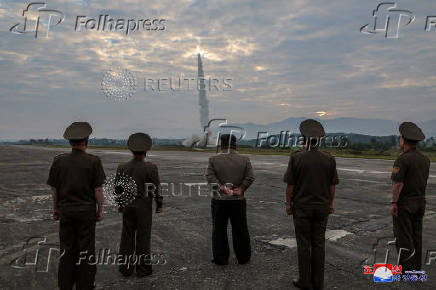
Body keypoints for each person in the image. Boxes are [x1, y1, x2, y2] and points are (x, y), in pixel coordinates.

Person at [47, 122, 106, 290]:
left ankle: (65, 284)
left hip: (66, 211)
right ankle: (85, 284)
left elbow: (54, 188)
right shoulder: (94, 161)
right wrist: (100, 210)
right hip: (86, 212)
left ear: (70, 142)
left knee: (66, 248)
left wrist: (56, 208)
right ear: (86, 141)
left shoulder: (59, 161)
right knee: (86, 249)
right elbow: (98, 189)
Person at [283, 119, 339, 290]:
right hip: (322, 208)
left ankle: (305, 281)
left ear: (304, 140)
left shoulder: (296, 157)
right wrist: (330, 204)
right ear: (319, 140)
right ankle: (318, 282)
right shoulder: (329, 159)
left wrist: (288, 203)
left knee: (304, 245)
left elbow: (290, 186)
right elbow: (332, 186)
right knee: (319, 244)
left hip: (302, 208)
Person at [117, 133, 163, 277]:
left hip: (128, 206)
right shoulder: (151, 167)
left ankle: (125, 268)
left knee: (127, 237)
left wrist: (120, 203)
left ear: (131, 150)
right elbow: (156, 187)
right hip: (143, 207)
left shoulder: (122, 167)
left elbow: (118, 188)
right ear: (146, 151)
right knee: (143, 238)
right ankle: (143, 269)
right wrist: (159, 204)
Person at [205, 134, 255, 265]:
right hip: (238, 200)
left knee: (219, 230)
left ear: (221, 145)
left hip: (219, 200)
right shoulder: (244, 159)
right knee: (240, 229)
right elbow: (250, 177)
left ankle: (221, 258)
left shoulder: (213, 159)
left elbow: (209, 176)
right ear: (235, 145)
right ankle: (243, 257)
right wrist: (241, 188)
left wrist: (221, 187)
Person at [390, 122, 430, 271]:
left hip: (405, 204)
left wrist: (394, 202)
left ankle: (406, 272)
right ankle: (416, 269)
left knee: (404, 238)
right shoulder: (425, 159)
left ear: (403, 139)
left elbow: (398, 184)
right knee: (416, 237)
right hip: (420, 202)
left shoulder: (402, 159)